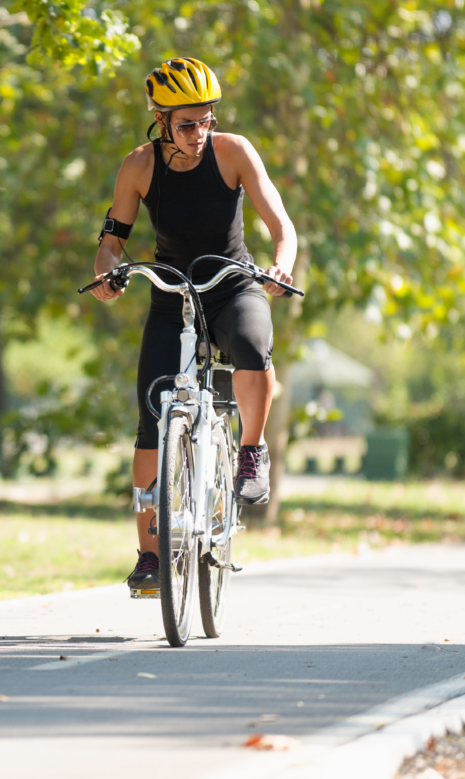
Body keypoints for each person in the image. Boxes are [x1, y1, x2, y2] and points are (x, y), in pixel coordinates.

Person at [90, 57, 297, 591]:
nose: (199, 132)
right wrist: (110, 274)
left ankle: (250, 452)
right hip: (171, 294)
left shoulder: (234, 152)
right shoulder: (138, 166)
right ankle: (150, 557)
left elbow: (282, 225)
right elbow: (112, 243)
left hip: (232, 284)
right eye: (187, 123)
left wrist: (281, 265)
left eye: (207, 118)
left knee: (253, 345)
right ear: (161, 120)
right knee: (152, 418)